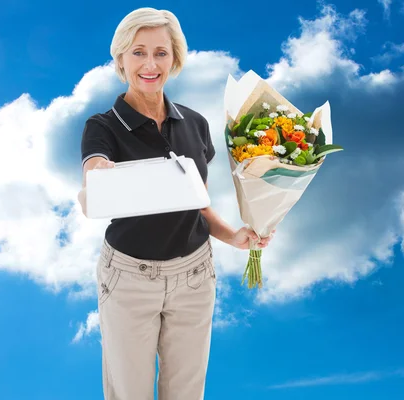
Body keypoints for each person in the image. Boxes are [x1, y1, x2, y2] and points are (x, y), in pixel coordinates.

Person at [78, 7, 273, 400]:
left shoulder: (196, 124)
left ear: (175, 58)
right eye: (138, 52)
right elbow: (95, 173)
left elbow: (198, 204)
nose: (150, 64)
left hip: (195, 276)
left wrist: (233, 236)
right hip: (130, 277)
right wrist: (98, 182)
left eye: (161, 53)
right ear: (120, 59)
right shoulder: (102, 127)